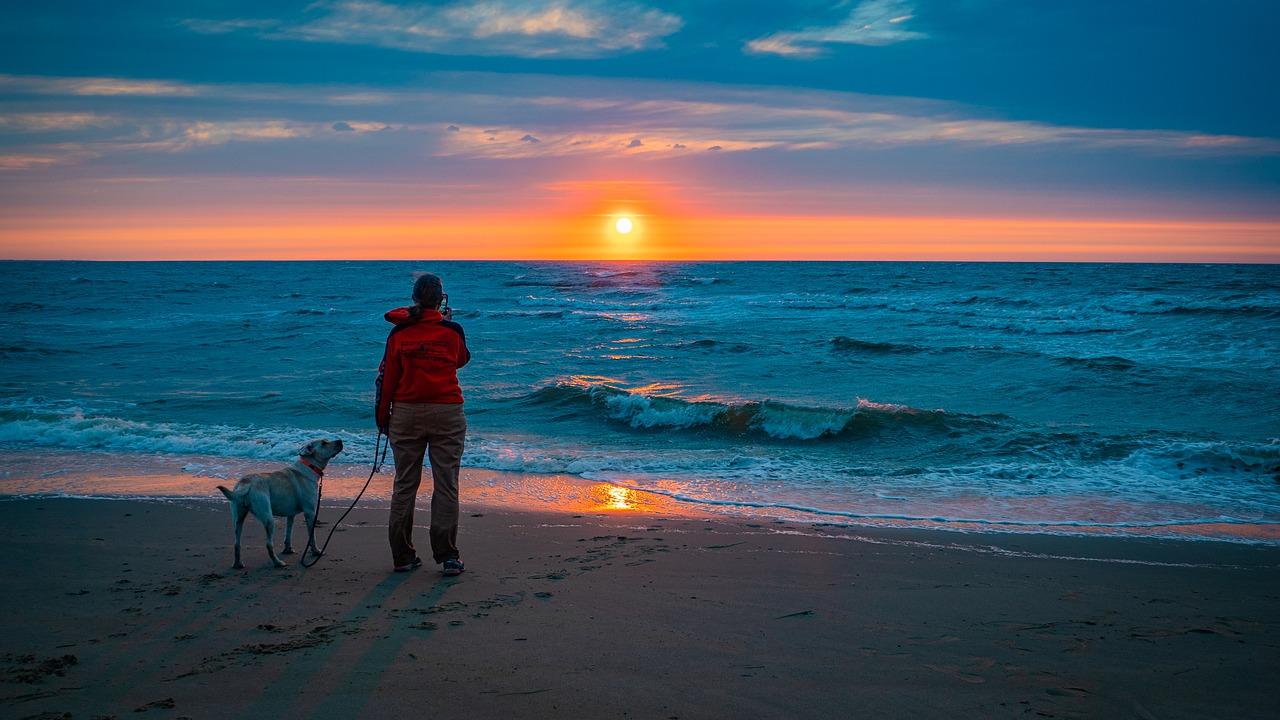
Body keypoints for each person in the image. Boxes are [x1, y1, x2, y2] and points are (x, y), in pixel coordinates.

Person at [375, 273, 471, 575]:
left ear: (415, 299)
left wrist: (382, 417)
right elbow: (461, 360)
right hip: (447, 412)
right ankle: (447, 555)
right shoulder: (452, 331)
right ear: (441, 299)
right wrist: (445, 321)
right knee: (446, 483)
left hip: (406, 412)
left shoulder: (399, 334)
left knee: (405, 484)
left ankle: (402, 556)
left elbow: (388, 378)